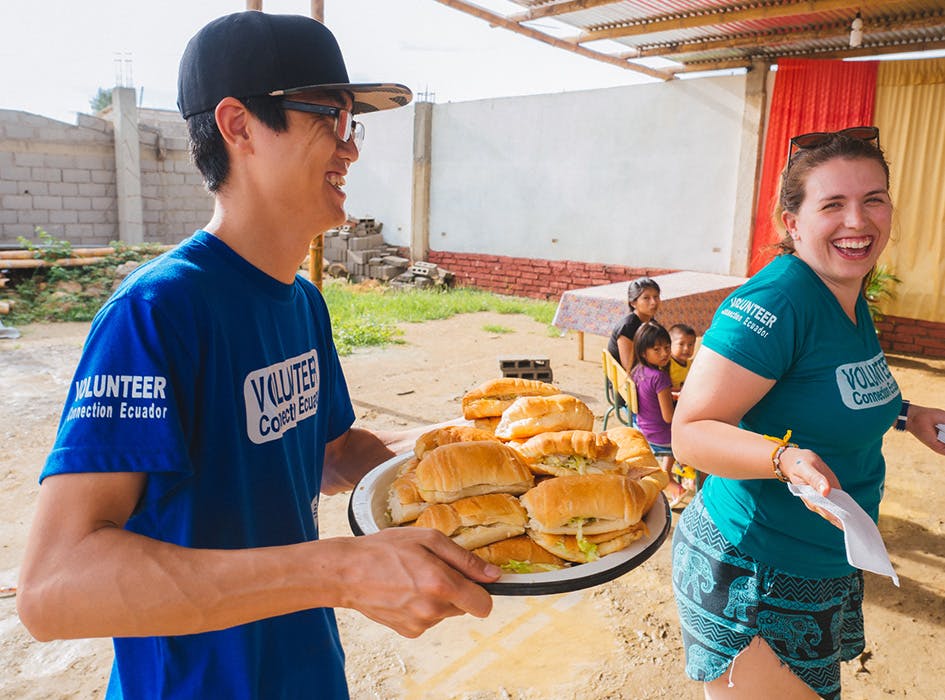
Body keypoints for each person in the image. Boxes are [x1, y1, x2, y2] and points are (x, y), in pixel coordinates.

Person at [16, 12, 500, 699]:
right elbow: (54, 589)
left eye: (350, 122)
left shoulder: (300, 302)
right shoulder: (156, 313)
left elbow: (328, 453)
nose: (349, 147)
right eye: (328, 117)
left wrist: (472, 445)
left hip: (304, 671)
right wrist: (336, 571)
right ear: (238, 126)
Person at [670, 127, 945, 700]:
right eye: (833, 205)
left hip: (821, 563)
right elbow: (690, 434)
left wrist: (909, 413)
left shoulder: (845, 287)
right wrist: (783, 458)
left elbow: (831, 387)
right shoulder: (776, 303)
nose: (858, 221)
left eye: (874, 199)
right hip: (755, 571)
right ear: (791, 223)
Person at [629, 321, 688, 506]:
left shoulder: (638, 371)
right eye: (657, 349)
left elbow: (652, 397)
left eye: (667, 347)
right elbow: (668, 417)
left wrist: (671, 394)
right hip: (660, 436)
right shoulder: (660, 377)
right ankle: (676, 481)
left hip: (642, 426)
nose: (664, 353)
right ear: (643, 352)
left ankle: (668, 473)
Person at [607, 276, 661, 373]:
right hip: (626, 382)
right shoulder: (627, 327)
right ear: (633, 303)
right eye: (646, 298)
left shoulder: (652, 323)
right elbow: (629, 367)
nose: (654, 302)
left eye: (656, 296)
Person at [667, 323, 697, 391]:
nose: (686, 348)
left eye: (690, 344)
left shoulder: (689, 364)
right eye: (681, 344)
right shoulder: (667, 363)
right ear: (669, 345)